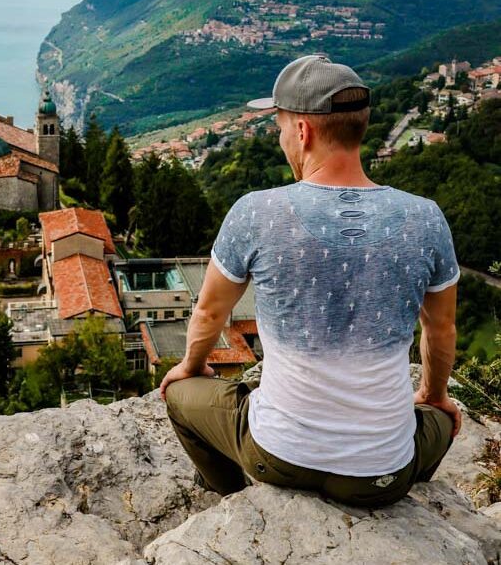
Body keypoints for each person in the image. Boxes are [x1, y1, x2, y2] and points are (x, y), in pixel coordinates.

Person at [160, 53, 461, 507]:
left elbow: (210, 311)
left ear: (302, 131)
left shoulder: (256, 212)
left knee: (179, 394)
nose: (281, 137)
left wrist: (191, 365)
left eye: (280, 125)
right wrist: (433, 396)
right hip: (383, 474)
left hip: (278, 456)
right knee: (443, 420)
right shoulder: (426, 218)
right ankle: (401, 491)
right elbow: (441, 330)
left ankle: (232, 499)